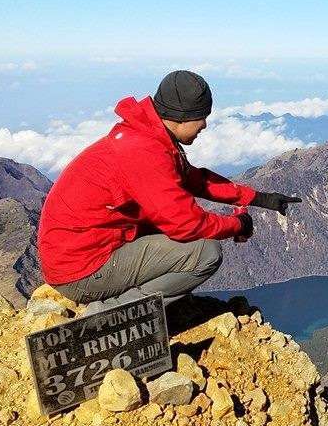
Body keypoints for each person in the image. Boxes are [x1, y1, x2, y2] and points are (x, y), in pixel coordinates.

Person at [38, 70, 301, 314]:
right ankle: (116, 313)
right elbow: (187, 225)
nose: (205, 126)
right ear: (183, 116)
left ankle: (131, 303)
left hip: (83, 251)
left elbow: (195, 180)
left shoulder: (148, 136)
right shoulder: (143, 152)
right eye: (202, 117)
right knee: (206, 253)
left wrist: (258, 198)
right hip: (82, 270)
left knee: (170, 231)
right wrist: (237, 225)